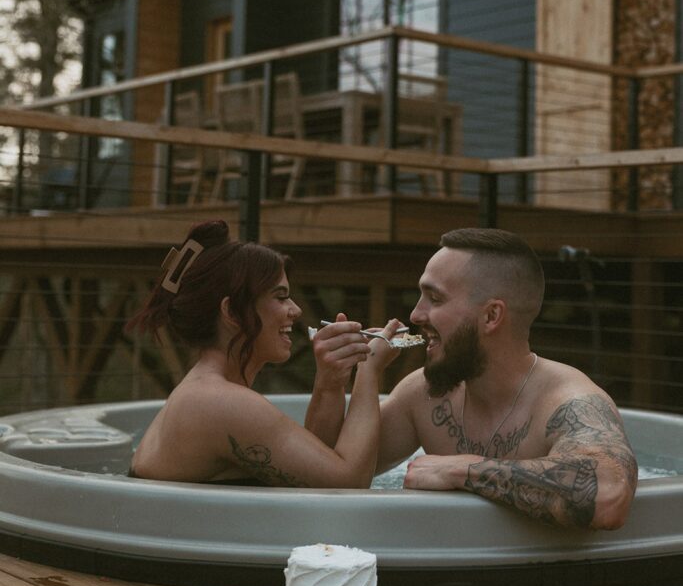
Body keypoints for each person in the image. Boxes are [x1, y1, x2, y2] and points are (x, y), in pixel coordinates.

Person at [311, 228, 638, 529]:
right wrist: (337, 380)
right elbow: (321, 479)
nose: (415, 314)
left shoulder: (568, 401)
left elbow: (608, 494)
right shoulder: (422, 395)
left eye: (435, 298)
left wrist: (462, 469)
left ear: (491, 316)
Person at [127, 220, 399, 487]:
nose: (296, 310)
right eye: (280, 297)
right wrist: (369, 368)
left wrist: (330, 381)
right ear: (232, 312)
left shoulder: (203, 392)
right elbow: (348, 482)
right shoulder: (219, 402)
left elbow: (315, 476)